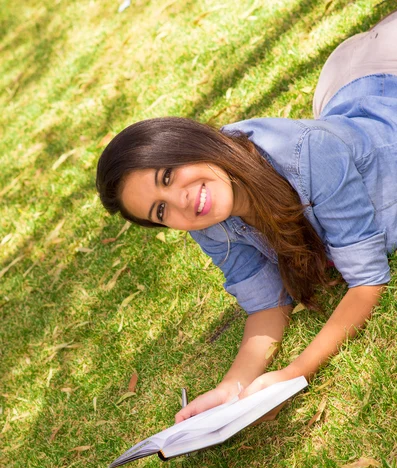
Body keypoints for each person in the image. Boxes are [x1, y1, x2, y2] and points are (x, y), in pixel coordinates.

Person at [96, 10, 397, 423]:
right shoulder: (206, 215)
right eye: (160, 210)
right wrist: (231, 388)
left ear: (189, 142)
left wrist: (295, 373)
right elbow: (268, 302)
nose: (181, 202)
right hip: (345, 90)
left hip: (382, 76)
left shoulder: (311, 153)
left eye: (168, 175)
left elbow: (367, 282)